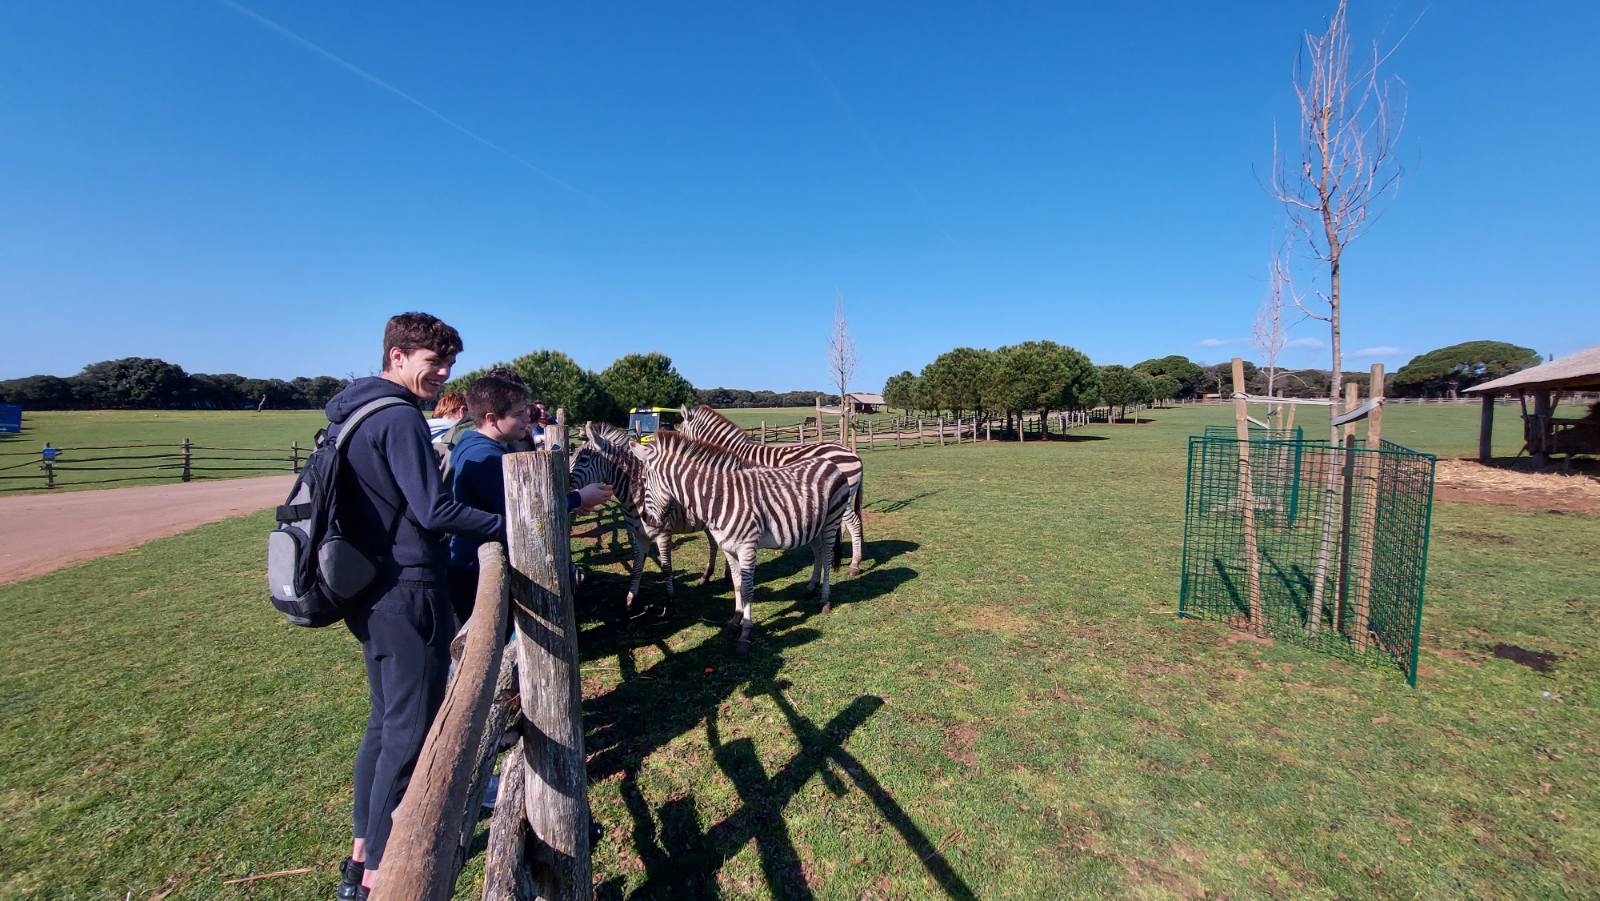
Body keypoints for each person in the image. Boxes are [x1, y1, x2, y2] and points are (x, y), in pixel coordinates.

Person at [326, 313, 503, 901]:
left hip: (370, 593)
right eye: (434, 362)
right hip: (408, 591)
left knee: (384, 724)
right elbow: (433, 511)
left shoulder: (356, 411)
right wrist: (512, 526)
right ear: (397, 357)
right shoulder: (399, 417)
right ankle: (379, 871)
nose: (444, 373)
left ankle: (360, 855)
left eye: (449, 362)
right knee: (410, 731)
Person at [447, 374, 612, 627]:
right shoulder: (486, 459)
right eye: (518, 413)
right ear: (492, 418)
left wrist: (572, 501)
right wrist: (578, 497)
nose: (527, 419)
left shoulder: (474, 443)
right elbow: (525, 516)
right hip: (476, 571)